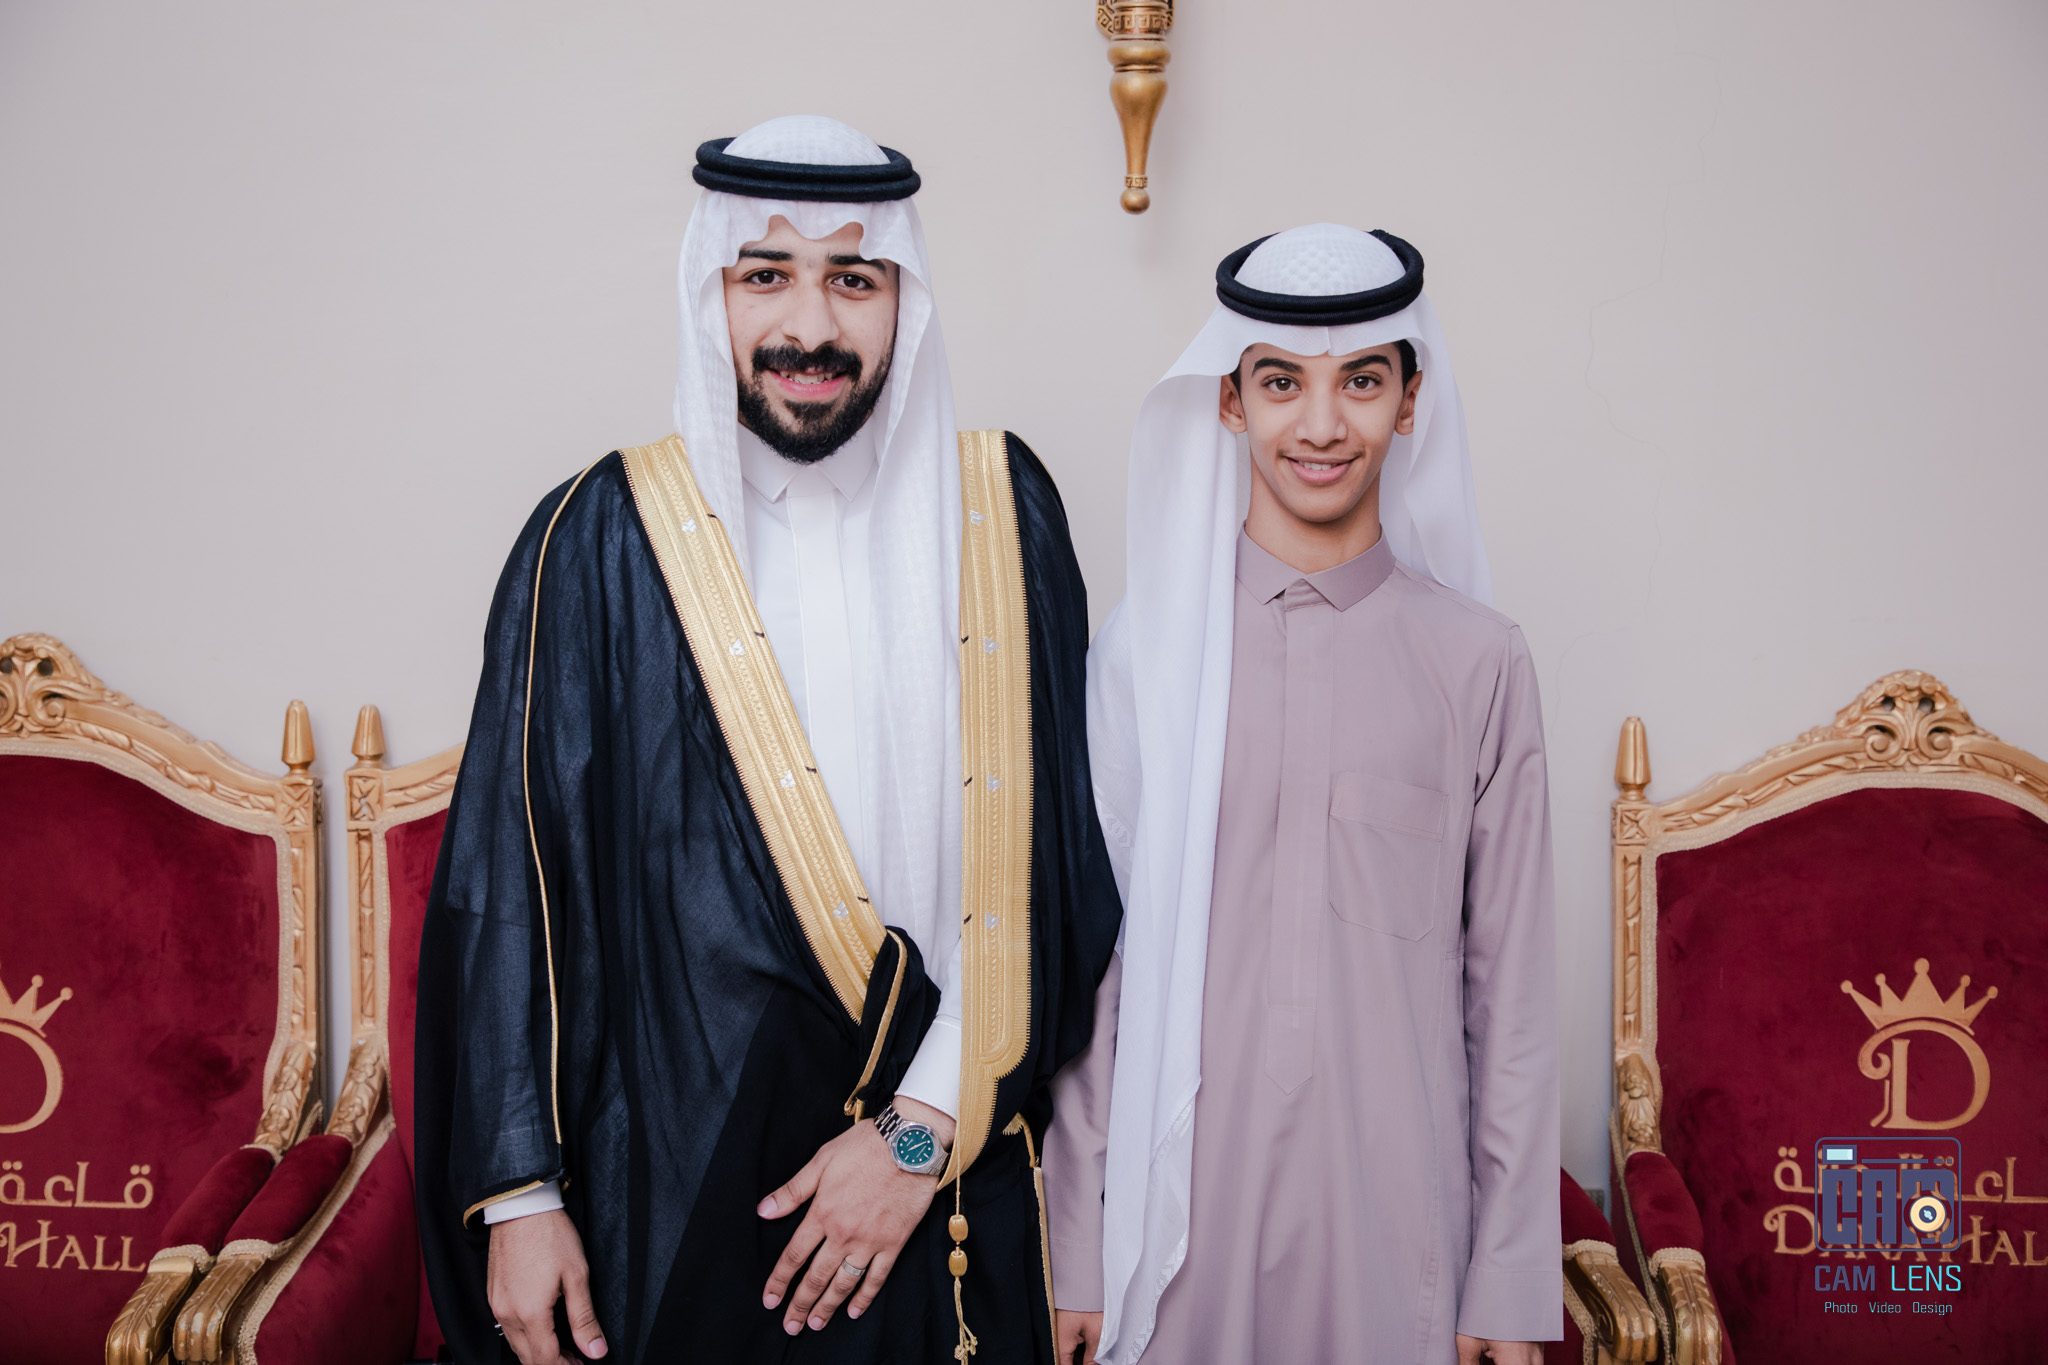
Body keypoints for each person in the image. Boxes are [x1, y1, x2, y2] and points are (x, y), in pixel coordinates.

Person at [414, 115, 1121, 1365]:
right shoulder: (600, 537)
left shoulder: (1000, 513)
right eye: (766, 277)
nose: (810, 326)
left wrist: (914, 1137)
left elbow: (1055, 873)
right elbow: (507, 887)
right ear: (712, 294)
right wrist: (520, 1197)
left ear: (904, 300)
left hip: (944, 1183)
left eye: (852, 279)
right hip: (677, 1179)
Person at [1045, 224, 1559, 1364]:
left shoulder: (1479, 661)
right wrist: (1076, 1240)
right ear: (1230, 402)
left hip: (1398, 1229)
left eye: (1360, 382)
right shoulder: (1144, 655)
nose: (1321, 426)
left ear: (1409, 401)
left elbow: (1512, 997)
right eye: (1281, 382)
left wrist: (1509, 1285)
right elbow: (1098, 972)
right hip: (1175, 1225)